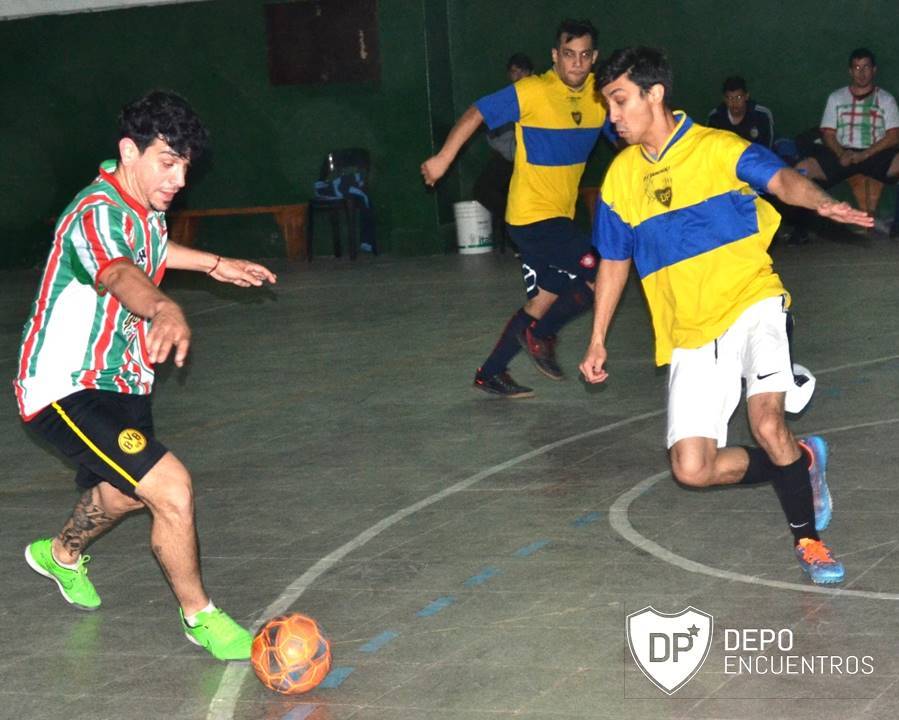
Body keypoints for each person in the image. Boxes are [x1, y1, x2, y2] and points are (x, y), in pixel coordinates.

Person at [580, 47, 874, 584]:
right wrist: (598, 338)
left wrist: (820, 203)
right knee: (692, 469)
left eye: (619, 101)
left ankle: (808, 540)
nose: (612, 116)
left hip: (753, 303)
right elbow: (615, 262)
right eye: (608, 105)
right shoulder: (621, 178)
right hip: (690, 331)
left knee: (766, 422)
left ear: (654, 94)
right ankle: (801, 460)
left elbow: (781, 180)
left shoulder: (718, 148)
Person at [15, 90, 277, 660]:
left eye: (186, 166)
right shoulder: (95, 213)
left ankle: (59, 555)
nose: (179, 179)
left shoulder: (142, 204)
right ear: (129, 151)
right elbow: (119, 272)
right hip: (66, 387)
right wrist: (162, 308)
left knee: (126, 493)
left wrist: (214, 264)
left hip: (124, 380)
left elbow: (151, 248)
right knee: (171, 489)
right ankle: (200, 617)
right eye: (168, 162)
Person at [422, 19, 615, 398]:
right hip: (531, 217)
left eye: (584, 55)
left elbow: (625, 131)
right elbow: (477, 112)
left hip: (560, 216)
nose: (576, 63)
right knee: (602, 272)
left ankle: (490, 373)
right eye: (569, 55)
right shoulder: (532, 91)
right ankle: (540, 334)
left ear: (594, 58)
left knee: (543, 299)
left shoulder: (600, 96)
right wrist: (444, 158)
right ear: (555, 56)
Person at [473, 53, 534, 252]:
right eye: (514, 72)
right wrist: (505, 150)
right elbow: (490, 130)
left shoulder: (539, 97)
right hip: (509, 158)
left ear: (530, 73)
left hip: (533, 161)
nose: (518, 76)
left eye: (522, 72)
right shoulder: (506, 99)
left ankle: (522, 229)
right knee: (482, 189)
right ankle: (511, 221)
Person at [707, 75, 774, 148]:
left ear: (746, 96)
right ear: (724, 99)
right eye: (730, 98)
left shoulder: (762, 115)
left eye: (738, 97)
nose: (734, 102)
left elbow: (767, 149)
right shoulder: (715, 117)